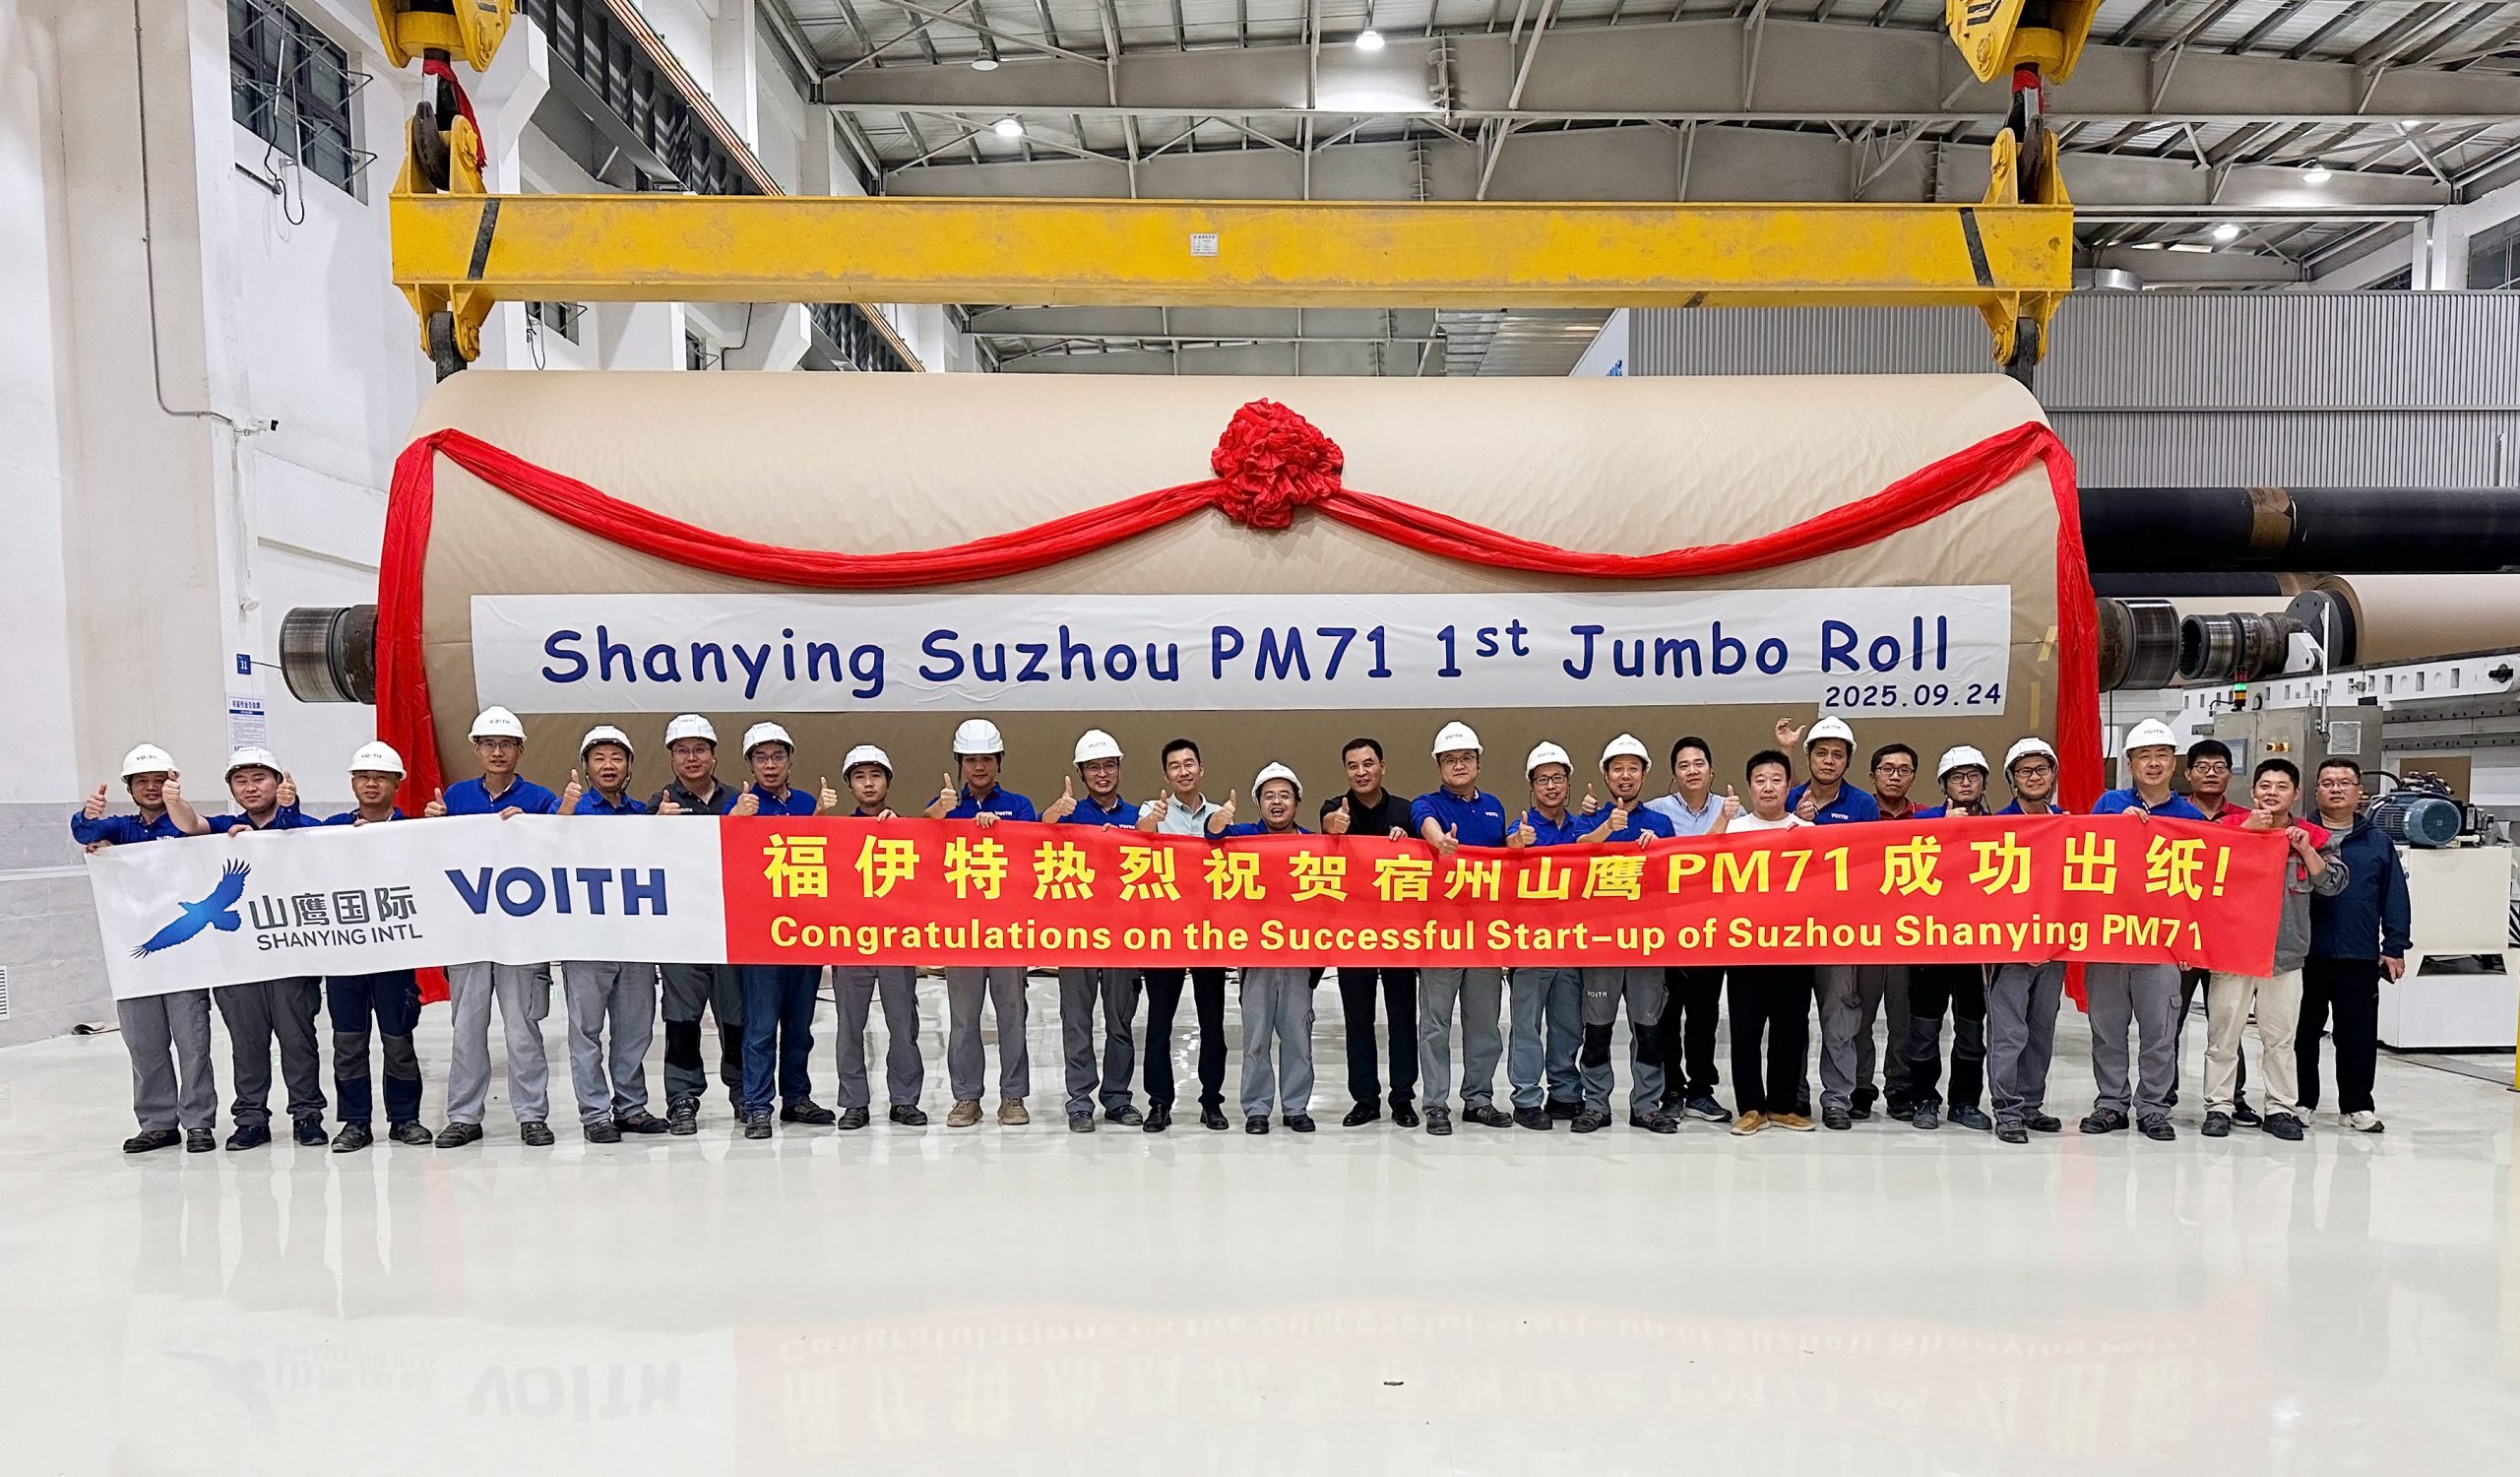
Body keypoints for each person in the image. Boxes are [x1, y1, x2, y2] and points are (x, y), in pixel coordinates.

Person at [424, 706, 563, 1148]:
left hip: (522, 936)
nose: (497, 752)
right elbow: (436, 858)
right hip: (469, 934)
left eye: (506, 744)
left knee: (523, 1030)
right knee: (467, 1029)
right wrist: (431, 827)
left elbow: (563, 842)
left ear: (520, 749)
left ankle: (532, 1115)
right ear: (477, 749)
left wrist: (538, 825)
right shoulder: (456, 798)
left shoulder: (539, 799)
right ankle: (464, 1115)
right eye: (489, 744)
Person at [73, 743, 218, 1153]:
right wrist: (89, 819)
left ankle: (199, 1122)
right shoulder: (121, 829)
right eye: (142, 782)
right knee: (144, 1044)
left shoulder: (187, 825)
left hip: (185, 959)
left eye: (159, 780)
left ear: (172, 782)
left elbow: (198, 829)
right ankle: (158, 1123)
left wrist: (178, 804)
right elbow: (85, 834)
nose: (151, 788)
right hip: (135, 960)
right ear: (130, 788)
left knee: (193, 1043)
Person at [2203, 758, 2348, 1141]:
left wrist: (2306, 851)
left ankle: (2280, 1108)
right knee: (2223, 1036)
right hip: (2233, 953)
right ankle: (2219, 1106)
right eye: (2265, 786)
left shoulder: (2313, 836)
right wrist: (2244, 835)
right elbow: (2202, 871)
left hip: (2285, 955)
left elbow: (2334, 884)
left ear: (2295, 794)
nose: (2272, 793)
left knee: (2281, 1039)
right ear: (2253, 792)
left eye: (2281, 787)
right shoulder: (2227, 828)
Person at [2082, 718, 2205, 1142]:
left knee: (2160, 1033)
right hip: (2110, 940)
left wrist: (2190, 944)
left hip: (2161, 946)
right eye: (2144, 757)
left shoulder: (2190, 819)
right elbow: (2083, 858)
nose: (2153, 764)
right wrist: (2116, 827)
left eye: (2161, 756)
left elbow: (2200, 891)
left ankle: (2153, 1107)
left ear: (2174, 763)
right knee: (2107, 1030)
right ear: (2130, 763)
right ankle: (2111, 1103)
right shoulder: (2108, 804)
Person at [203, 747, 327, 1151]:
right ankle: (251, 1119)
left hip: (291, 956)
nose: (251, 788)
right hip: (239, 961)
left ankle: (307, 1114)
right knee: (246, 1042)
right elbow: (185, 827)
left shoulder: (307, 828)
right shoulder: (222, 833)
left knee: (297, 1039)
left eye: (259, 779)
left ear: (278, 782)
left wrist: (290, 812)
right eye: (241, 781)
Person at [319, 742, 431, 1152]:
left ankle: (405, 1119)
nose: (371, 784)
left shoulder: (415, 831)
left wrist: (438, 827)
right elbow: (288, 848)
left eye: (380, 778)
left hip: (394, 955)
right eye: (364, 777)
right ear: (352, 783)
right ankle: (355, 1123)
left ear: (397, 784)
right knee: (348, 1043)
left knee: (398, 1040)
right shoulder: (330, 830)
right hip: (345, 957)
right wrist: (288, 811)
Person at [557, 727, 667, 1144]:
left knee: (635, 1028)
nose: (608, 766)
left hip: (635, 938)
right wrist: (561, 817)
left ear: (628, 766)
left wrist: (667, 829)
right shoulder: (571, 810)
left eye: (616, 758)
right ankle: (595, 1114)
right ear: (586, 766)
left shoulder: (642, 814)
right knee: (586, 1030)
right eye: (599, 758)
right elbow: (543, 850)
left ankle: (631, 1107)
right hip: (586, 940)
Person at [1780, 717, 1891, 1130]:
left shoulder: (1862, 805)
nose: (1829, 761)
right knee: (1791, 1018)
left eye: (1837, 755)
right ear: (1809, 757)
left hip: (1838, 931)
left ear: (1847, 761)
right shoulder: (1788, 798)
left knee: (1840, 1017)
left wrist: (1817, 827)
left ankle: (1837, 1099)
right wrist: (1794, 821)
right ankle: (1793, 1094)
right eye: (1822, 753)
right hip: (1792, 930)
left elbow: (1868, 864)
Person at [734, 721, 840, 1139]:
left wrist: (822, 818)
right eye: (761, 758)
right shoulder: (742, 806)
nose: (770, 765)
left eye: (777, 756)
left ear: (790, 761)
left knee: (799, 1026)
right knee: (761, 1028)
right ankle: (758, 1105)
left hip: (804, 932)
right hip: (760, 935)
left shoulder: (807, 803)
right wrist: (734, 820)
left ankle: (796, 1097)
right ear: (750, 764)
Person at [930, 718, 1038, 1128]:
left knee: (1012, 1017)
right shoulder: (945, 806)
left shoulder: (1020, 806)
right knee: (963, 1020)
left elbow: (1031, 855)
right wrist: (937, 814)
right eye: (971, 759)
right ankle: (966, 1097)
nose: (979, 766)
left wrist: (1001, 832)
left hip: (1007, 930)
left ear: (999, 762)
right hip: (962, 931)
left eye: (987, 759)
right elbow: (922, 848)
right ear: (959, 763)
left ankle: (1013, 1096)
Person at [1412, 721, 1515, 1136]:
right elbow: (1424, 823)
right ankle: (1436, 1104)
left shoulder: (1494, 807)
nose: (1459, 765)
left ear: (1478, 763)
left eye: (1466, 758)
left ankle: (1479, 1099)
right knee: (1435, 1023)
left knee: (1484, 1023)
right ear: (1439, 766)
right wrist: (1440, 842)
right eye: (1451, 760)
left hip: (1485, 933)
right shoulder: (1427, 803)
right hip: (1441, 933)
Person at [1573, 735, 1679, 1135]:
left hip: (1646, 944)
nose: (1625, 775)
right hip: (1601, 943)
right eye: (1617, 768)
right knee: (1597, 1029)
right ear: (1605, 775)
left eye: (1633, 768)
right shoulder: (1589, 819)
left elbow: (1677, 876)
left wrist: (1659, 851)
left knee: (1648, 1030)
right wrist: (1607, 827)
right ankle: (1596, 1105)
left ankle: (1646, 1106)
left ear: (1644, 774)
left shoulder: (1660, 823)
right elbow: (1575, 853)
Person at [649, 714, 749, 1134]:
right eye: (682, 751)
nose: (691, 758)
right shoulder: (659, 805)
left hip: (731, 932)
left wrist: (742, 821)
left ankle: (745, 1093)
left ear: (713, 755)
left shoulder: (740, 799)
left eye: (699, 749)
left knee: (736, 1019)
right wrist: (654, 829)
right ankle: (682, 1098)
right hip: (682, 935)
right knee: (682, 1020)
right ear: (672, 758)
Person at [2302, 757, 2409, 1133]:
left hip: (2358, 954)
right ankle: (2302, 1101)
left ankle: (2357, 1105)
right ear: (2316, 790)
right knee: (2302, 1034)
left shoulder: (2377, 842)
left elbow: (2394, 896)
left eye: (2345, 782)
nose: (2336, 788)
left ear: (2359, 792)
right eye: (2328, 782)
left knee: (2358, 1036)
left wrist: (2394, 946)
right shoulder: (2299, 836)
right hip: (2305, 954)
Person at [1319, 738, 1419, 1128]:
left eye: (1368, 763)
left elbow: (1424, 858)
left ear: (1382, 767)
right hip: (1353, 933)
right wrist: (1334, 827)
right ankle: (1364, 1099)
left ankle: (1403, 1097)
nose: (1361, 772)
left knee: (1402, 1017)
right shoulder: (1335, 807)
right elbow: (1328, 826)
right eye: (1353, 765)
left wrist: (1407, 844)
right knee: (1357, 1018)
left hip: (1397, 933)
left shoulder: (1405, 811)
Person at [1046, 730, 1143, 1132]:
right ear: (1081, 774)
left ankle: (1118, 1099)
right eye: (1093, 768)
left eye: (1108, 766)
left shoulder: (1139, 816)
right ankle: (1080, 1102)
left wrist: (1149, 830)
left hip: (1123, 938)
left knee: (1120, 1022)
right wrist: (1052, 817)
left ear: (1119, 768)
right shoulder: (1067, 815)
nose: (1102, 774)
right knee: (1077, 1022)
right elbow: (1034, 844)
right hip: (1078, 937)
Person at [1137, 737, 1234, 1132]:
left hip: (1209, 932)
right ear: (1166, 775)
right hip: (1165, 932)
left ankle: (1212, 1101)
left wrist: (1223, 825)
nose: (1183, 771)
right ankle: (1159, 1103)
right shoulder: (1152, 810)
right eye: (1175, 766)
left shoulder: (1218, 813)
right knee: (1159, 1023)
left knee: (1213, 1022)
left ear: (1201, 769)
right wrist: (1152, 822)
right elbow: (1138, 837)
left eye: (1189, 763)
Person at [829, 744, 926, 1130]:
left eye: (875, 776)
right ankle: (854, 1102)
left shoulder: (907, 830)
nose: (868, 784)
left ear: (888, 782)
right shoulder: (837, 834)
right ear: (850, 786)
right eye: (859, 777)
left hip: (895, 942)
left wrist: (901, 831)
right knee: (849, 1027)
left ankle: (904, 1100)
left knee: (902, 1025)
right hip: (852, 944)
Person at [1643, 736, 1737, 1124]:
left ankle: (1701, 1090)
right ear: (1674, 774)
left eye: (1699, 763)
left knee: (1704, 1015)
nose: (1692, 771)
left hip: (1712, 928)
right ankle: (1671, 1089)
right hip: (1668, 929)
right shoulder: (1656, 812)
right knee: (1668, 1014)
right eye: (1684, 765)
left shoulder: (1732, 811)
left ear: (1711, 770)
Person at [1221, 764, 1319, 1133]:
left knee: (1297, 1036)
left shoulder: (1314, 845)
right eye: (1269, 796)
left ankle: (1296, 1107)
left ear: (1297, 802)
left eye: (1284, 796)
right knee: (1256, 1037)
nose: (1277, 803)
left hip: (1298, 956)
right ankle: (1257, 1108)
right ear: (1258, 802)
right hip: (1255, 957)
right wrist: (1219, 821)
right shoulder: (1242, 837)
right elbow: (1211, 838)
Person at [1724, 749, 1814, 1134]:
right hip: (1745, 946)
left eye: (1776, 780)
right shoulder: (1734, 830)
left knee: (1791, 1028)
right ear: (1749, 787)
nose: (1768, 787)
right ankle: (1750, 1108)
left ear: (1789, 786)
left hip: (1794, 945)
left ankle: (1782, 1105)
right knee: (1745, 1030)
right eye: (1760, 780)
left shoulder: (1807, 832)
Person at [1904, 746, 1994, 1132]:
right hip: (1931, 943)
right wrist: (1942, 826)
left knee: (1971, 1031)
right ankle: (1924, 1098)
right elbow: (1901, 860)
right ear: (1944, 784)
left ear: (1984, 782)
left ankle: (1964, 1102)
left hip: (1977, 947)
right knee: (1924, 1029)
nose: (1966, 783)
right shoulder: (1923, 821)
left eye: (1973, 776)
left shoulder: (2001, 827)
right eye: (1957, 777)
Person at [1984, 736, 2069, 1143]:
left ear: (2053, 774)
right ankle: (2007, 1109)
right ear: (2012, 779)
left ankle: (2031, 1103)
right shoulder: (1995, 827)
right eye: (2024, 771)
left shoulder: (2069, 825)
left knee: (2041, 1029)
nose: (2034, 777)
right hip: (2009, 950)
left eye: (2041, 769)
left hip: (2054, 946)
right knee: (2008, 1032)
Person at [1505, 741, 1590, 1129]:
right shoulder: (1520, 828)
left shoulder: (1582, 828)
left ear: (1568, 783)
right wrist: (1516, 844)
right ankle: (1526, 1098)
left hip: (1571, 944)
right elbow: (1508, 850)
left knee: (1568, 1026)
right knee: (1526, 1026)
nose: (1551, 786)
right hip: (1530, 945)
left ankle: (1565, 1094)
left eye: (1557, 778)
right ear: (1532, 786)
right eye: (1543, 780)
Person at [2172, 738, 2253, 1121]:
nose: (2210, 774)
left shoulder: (2249, 821)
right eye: (2202, 767)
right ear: (2188, 774)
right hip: (2179, 937)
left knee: (2229, 1023)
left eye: (2219, 767)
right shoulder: (2172, 817)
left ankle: (2233, 1096)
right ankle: (2162, 1094)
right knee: (2168, 1023)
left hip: (2228, 937)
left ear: (2230, 774)